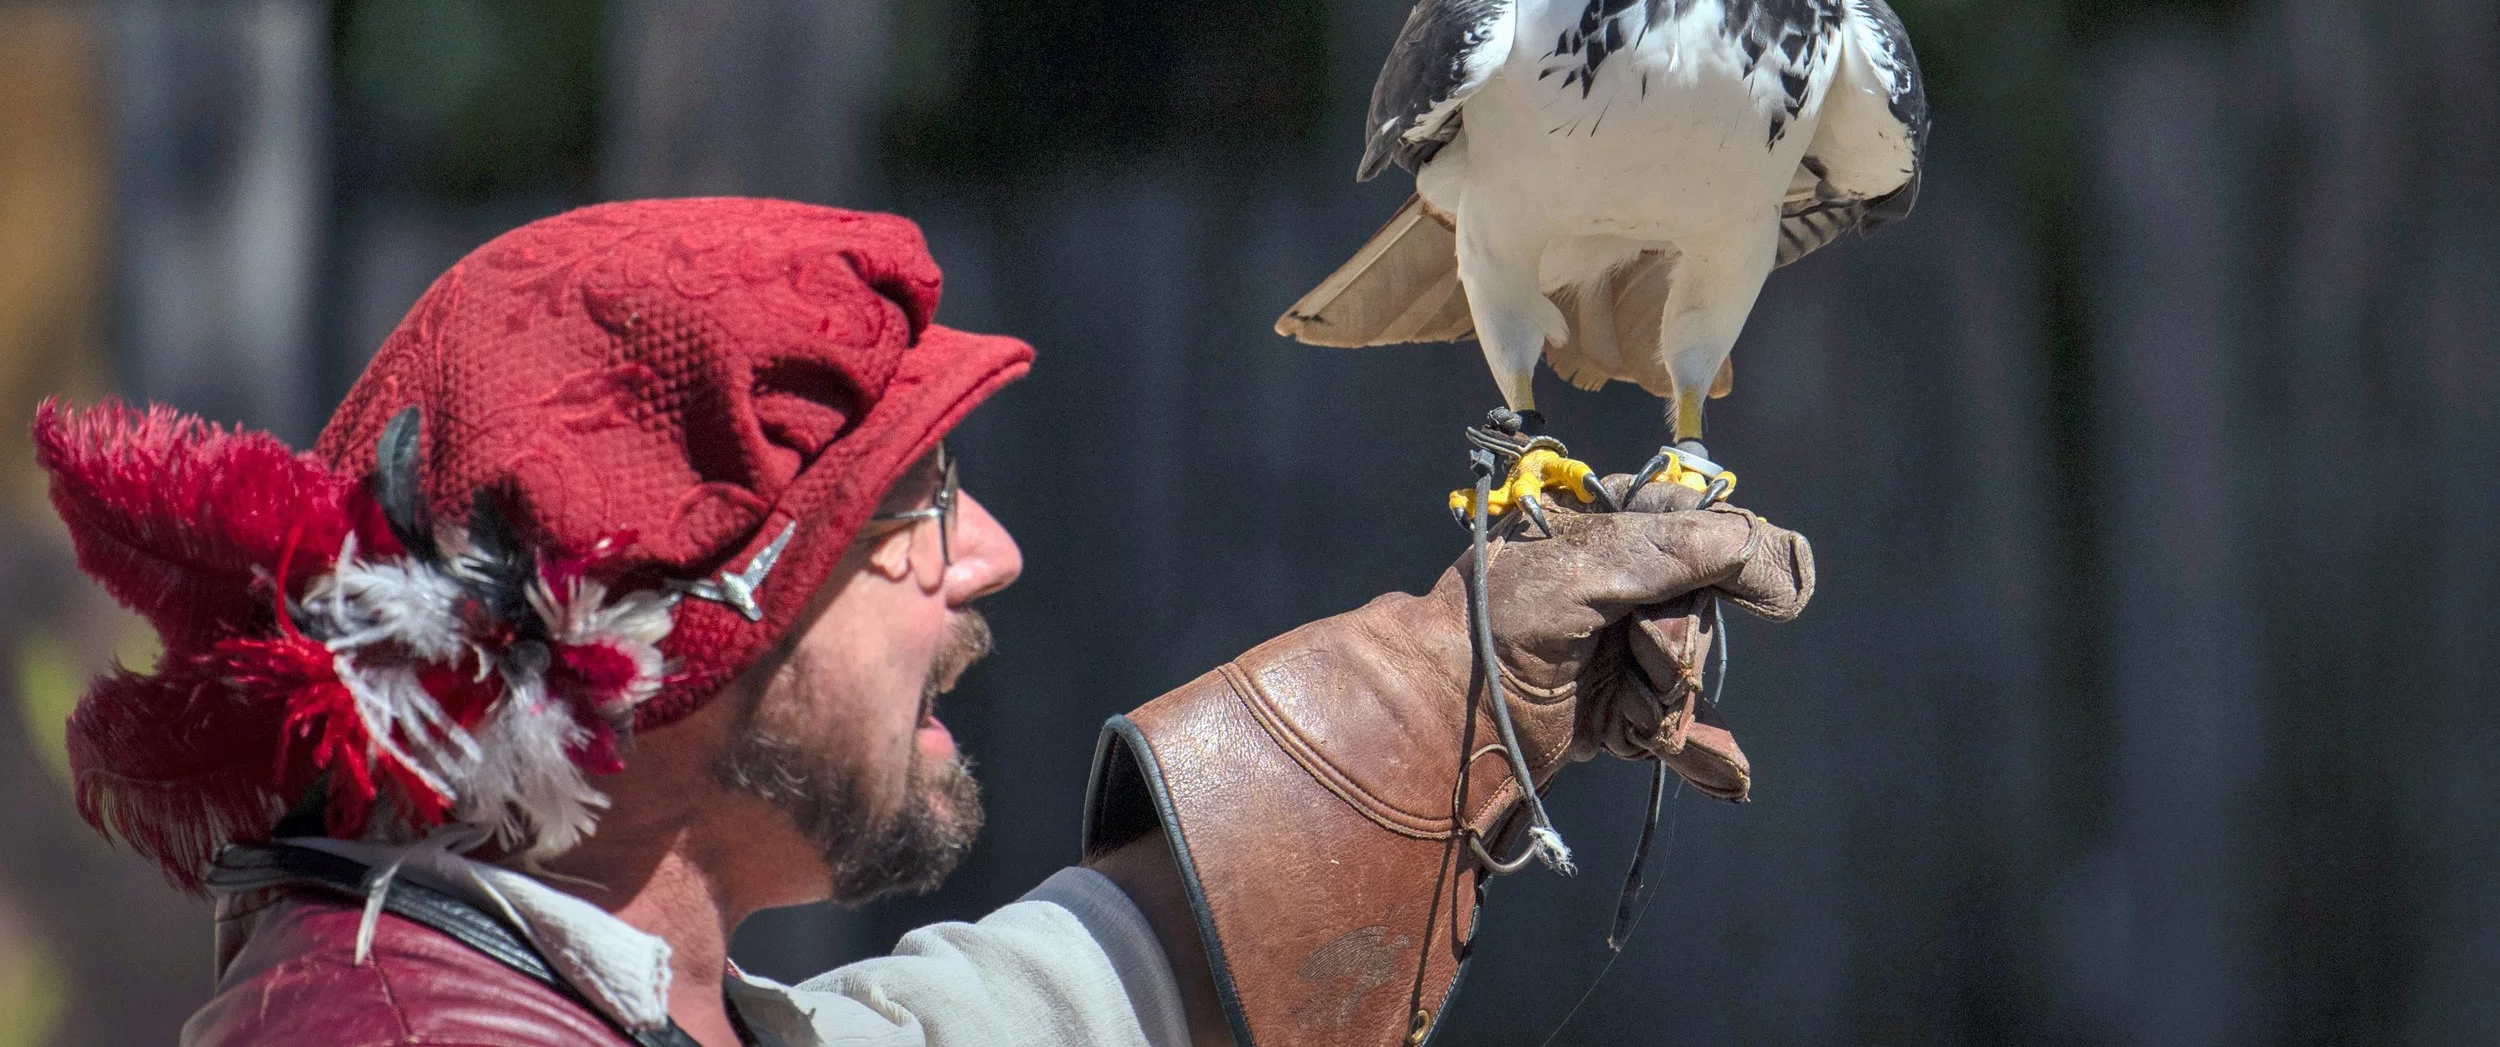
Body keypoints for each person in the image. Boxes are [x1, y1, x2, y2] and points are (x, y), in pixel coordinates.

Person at [35, 199, 1815, 1047]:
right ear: (656, 638)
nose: (990, 556)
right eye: (911, 512)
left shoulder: (569, 997)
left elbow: (994, 1025)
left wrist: (1456, 694)